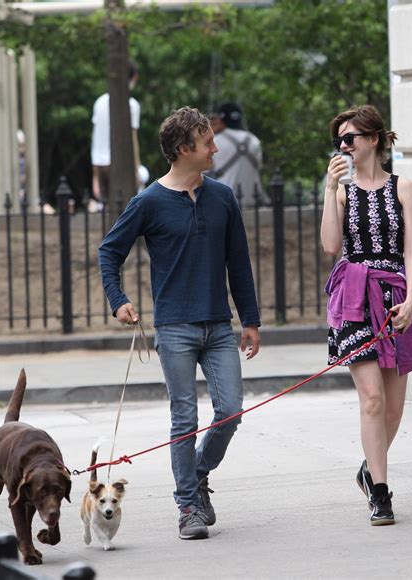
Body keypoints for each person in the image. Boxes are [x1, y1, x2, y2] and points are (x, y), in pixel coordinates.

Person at [99, 106, 261, 540]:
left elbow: (239, 264)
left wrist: (251, 320)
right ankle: (188, 506)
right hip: (173, 328)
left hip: (218, 326)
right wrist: (118, 301)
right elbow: (109, 252)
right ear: (183, 149)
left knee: (230, 412)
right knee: (184, 418)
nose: (216, 147)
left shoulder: (222, 196)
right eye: (207, 142)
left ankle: (197, 473)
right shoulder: (149, 201)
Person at [321, 105, 412, 526]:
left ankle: (368, 468)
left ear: (374, 139)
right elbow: (330, 246)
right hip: (354, 298)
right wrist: (329, 191)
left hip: (395, 296)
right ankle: (381, 494)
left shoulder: (404, 188)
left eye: (351, 138)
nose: (345, 146)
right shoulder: (342, 191)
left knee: (394, 409)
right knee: (373, 399)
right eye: (340, 140)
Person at [89, 61, 142, 213]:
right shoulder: (131, 105)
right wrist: (136, 168)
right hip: (120, 163)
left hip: (99, 163)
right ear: (134, 78)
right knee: (124, 209)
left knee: (108, 209)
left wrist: (94, 172)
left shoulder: (99, 102)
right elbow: (133, 139)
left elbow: (96, 137)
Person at [210, 102, 266, 207]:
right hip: (252, 203)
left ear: (220, 120)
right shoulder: (254, 140)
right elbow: (259, 167)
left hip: (225, 205)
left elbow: (202, 172)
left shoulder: (214, 141)